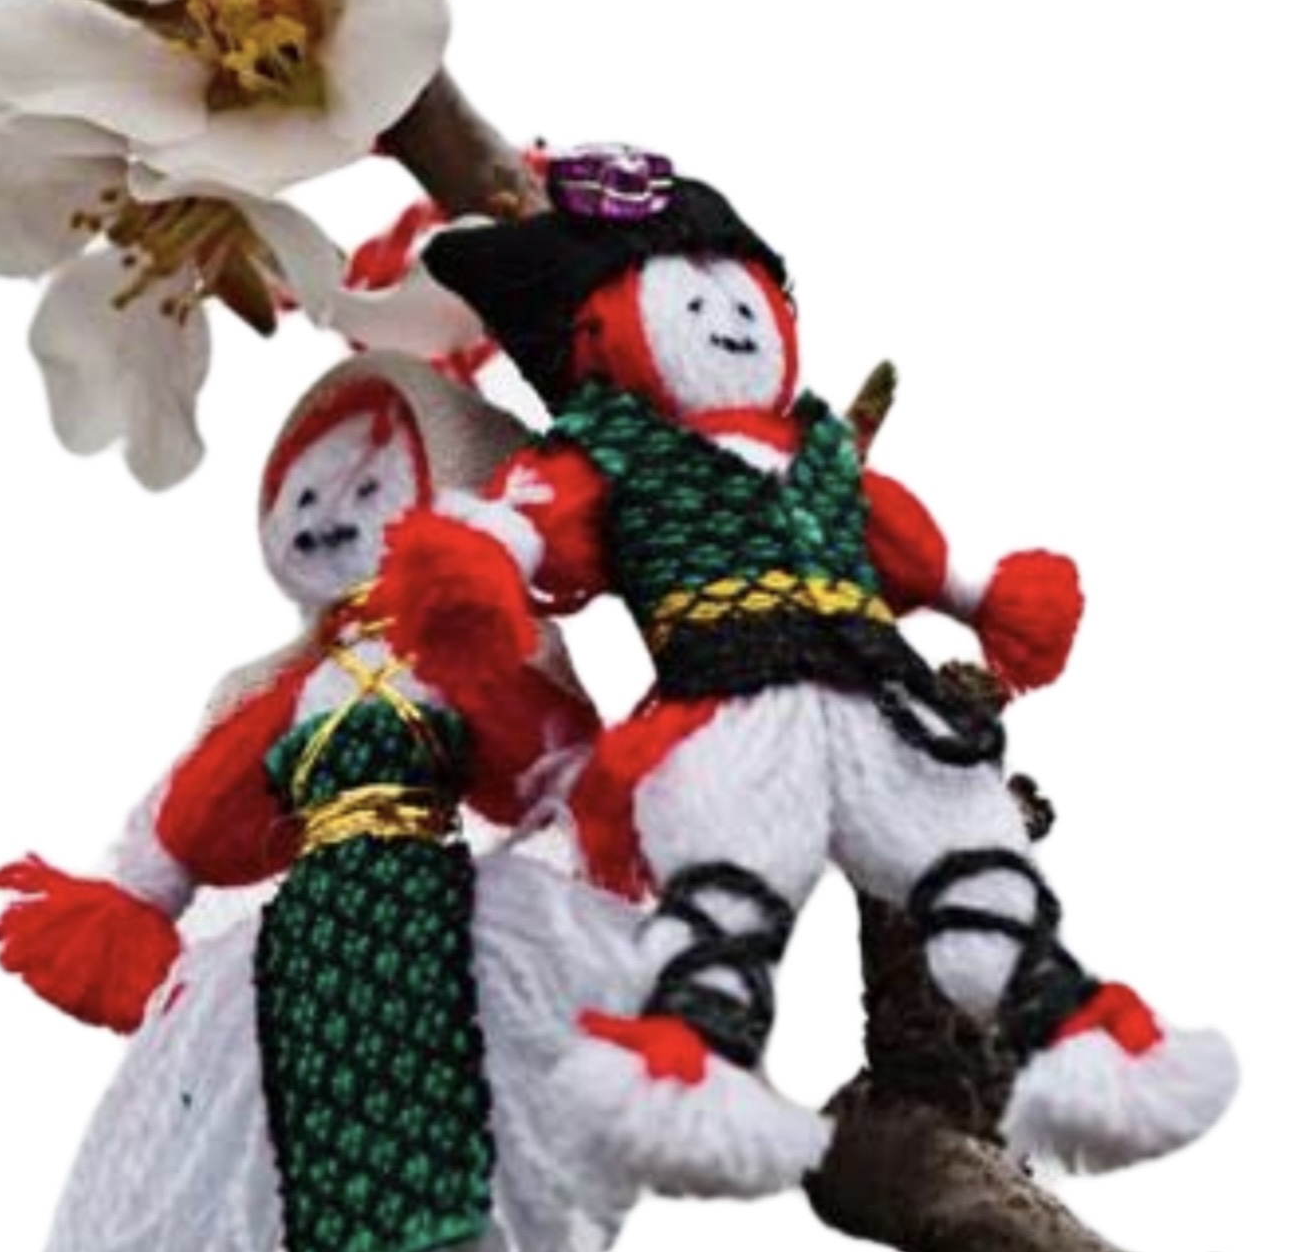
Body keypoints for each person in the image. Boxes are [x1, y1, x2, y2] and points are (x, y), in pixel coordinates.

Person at [417, 145, 1238, 1197]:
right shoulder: (610, 448)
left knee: (972, 852)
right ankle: (688, 1066)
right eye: (687, 301)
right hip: (726, 702)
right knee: (733, 878)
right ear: (596, 333)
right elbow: (535, 525)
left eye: (743, 296)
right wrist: (482, 558)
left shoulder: (822, 455)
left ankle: (1079, 1039)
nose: (725, 320)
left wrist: (988, 595)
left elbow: (917, 554)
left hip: (881, 692)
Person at [0, 352, 644, 1252]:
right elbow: (204, 801)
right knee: (315, 1084)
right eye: (303, 496)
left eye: (369, 488)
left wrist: (589, 808)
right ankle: (354, 1250)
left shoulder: (458, 654)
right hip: (314, 930)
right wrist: (140, 889)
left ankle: (454, 1226)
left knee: (451, 1058)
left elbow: (537, 761)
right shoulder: (291, 690)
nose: (328, 516)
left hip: (428, 898)